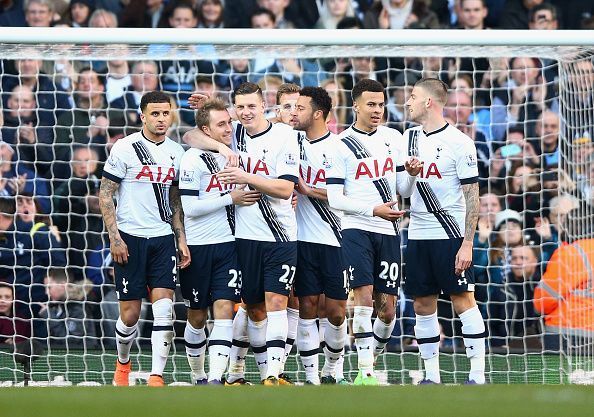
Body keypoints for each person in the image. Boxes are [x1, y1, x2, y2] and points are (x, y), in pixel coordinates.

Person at [185, 82, 299, 385]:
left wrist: (245, 176)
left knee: (277, 303)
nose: (247, 112)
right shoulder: (233, 133)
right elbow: (190, 135)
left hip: (281, 235)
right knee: (252, 307)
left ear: (264, 106)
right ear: (235, 110)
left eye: (252, 106)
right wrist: (223, 146)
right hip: (244, 238)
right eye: (241, 107)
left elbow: (286, 188)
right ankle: (236, 372)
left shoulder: (285, 136)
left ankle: (272, 375)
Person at [326, 78, 422, 385]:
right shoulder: (340, 144)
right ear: (355, 105)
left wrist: (411, 175)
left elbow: (401, 189)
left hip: (388, 229)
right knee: (363, 297)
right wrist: (372, 210)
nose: (377, 110)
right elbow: (334, 198)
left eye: (380, 104)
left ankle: (371, 357)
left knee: (388, 310)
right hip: (356, 227)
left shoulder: (394, 138)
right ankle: (365, 372)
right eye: (371, 104)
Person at [99, 91, 190, 387]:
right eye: (155, 114)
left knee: (164, 307)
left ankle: (156, 376)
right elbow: (105, 194)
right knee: (130, 314)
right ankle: (123, 364)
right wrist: (115, 238)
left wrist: (181, 238)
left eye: (166, 113)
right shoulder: (125, 148)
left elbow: (175, 200)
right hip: (130, 238)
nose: (161, 119)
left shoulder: (177, 152)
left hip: (163, 239)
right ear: (142, 116)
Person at [403, 78, 486, 384]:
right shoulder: (408, 138)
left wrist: (467, 244)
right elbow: (403, 188)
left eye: (412, 96)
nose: (407, 102)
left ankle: (477, 376)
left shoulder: (460, 142)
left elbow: (472, 195)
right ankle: (431, 377)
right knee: (422, 303)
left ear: (429, 102)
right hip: (418, 234)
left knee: (463, 298)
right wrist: (409, 176)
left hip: (450, 234)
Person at [178, 98, 259, 385]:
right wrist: (230, 198)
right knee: (197, 316)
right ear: (205, 129)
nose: (228, 129)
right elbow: (190, 208)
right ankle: (198, 374)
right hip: (199, 248)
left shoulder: (233, 152)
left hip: (229, 245)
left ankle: (215, 379)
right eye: (221, 124)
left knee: (225, 309)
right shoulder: (191, 160)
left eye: (229, 123)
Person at [290, 87, 348, 385]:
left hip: (336, 238)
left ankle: (334, 368)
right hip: (300, 239)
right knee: (307, 306)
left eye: (299, 108)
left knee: (336, 312)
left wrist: (307, 189)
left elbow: (347, 193)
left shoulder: (340, 147)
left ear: (317, 113)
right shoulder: (290, 142)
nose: (293, 113)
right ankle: (312, 377)